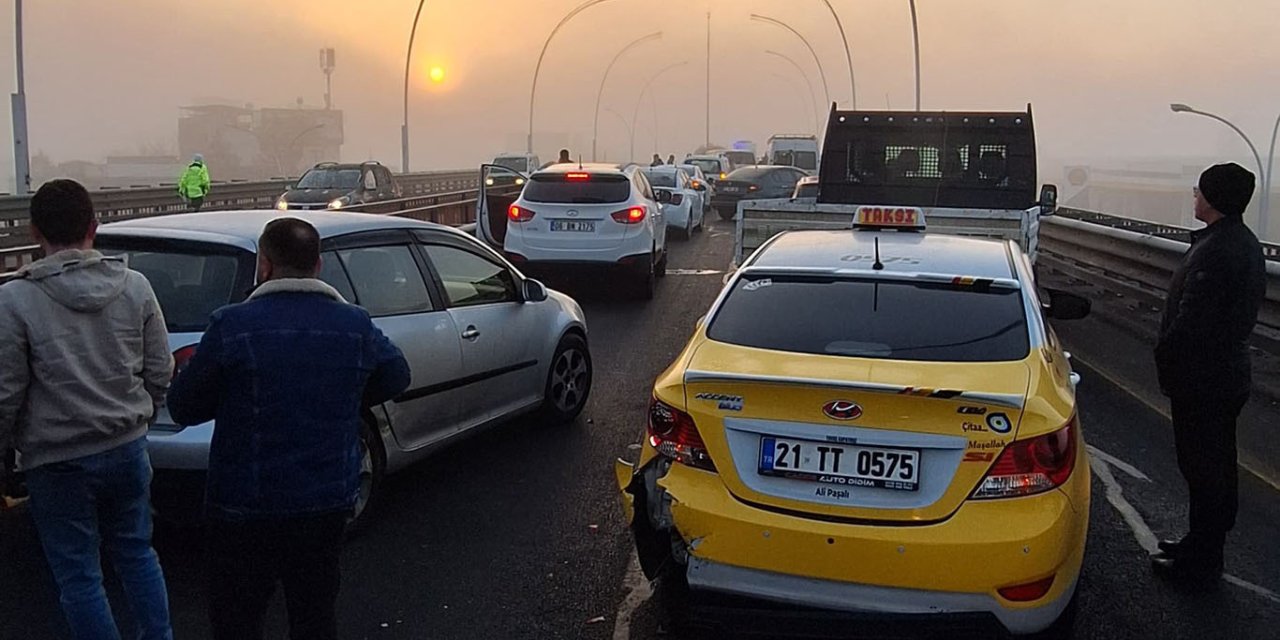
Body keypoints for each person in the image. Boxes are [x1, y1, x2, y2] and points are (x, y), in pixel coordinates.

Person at [167, 217, 411, 640]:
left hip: (243, 504)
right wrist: (345, 393)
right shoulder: (353, 324)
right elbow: (397, 376)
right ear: (318, 265)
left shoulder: (232, 325)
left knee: (237, 620)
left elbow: (183, 405)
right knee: (314, 617)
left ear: (264, 265)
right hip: (325, 502)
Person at [0, 179, 174, 640]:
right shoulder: (135, 286)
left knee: (79, 577)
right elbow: (160, 369)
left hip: (55, 461)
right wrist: (141, 415)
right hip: (126, 448)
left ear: (34, 230)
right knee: (137, 555)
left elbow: (6, 392)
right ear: (94, 226)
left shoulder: (15, 300)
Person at [1152, 163, 1265, 585]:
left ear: (1214, 199)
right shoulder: (1238, 243)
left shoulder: (1217, 251)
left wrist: (1166, 359)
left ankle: (1201, 562)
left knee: (1205, 469)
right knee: (1210, 466)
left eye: (1198, 190)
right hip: (1221, 377)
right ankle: (1199, 543)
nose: (1194, 196)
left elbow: (1191, 323)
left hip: (1205, 379)